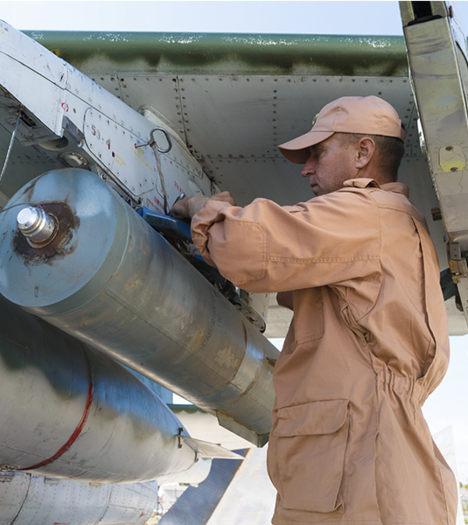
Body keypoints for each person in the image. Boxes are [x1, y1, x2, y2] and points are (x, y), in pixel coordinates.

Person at [171, 96, 458, 525]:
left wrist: (202, 209)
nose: (305, 168)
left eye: (318, 153)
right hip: (381, 464)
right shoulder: (399, 225)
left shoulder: (365, 211)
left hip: (356, 469)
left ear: (363, 152)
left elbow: (250, 247)